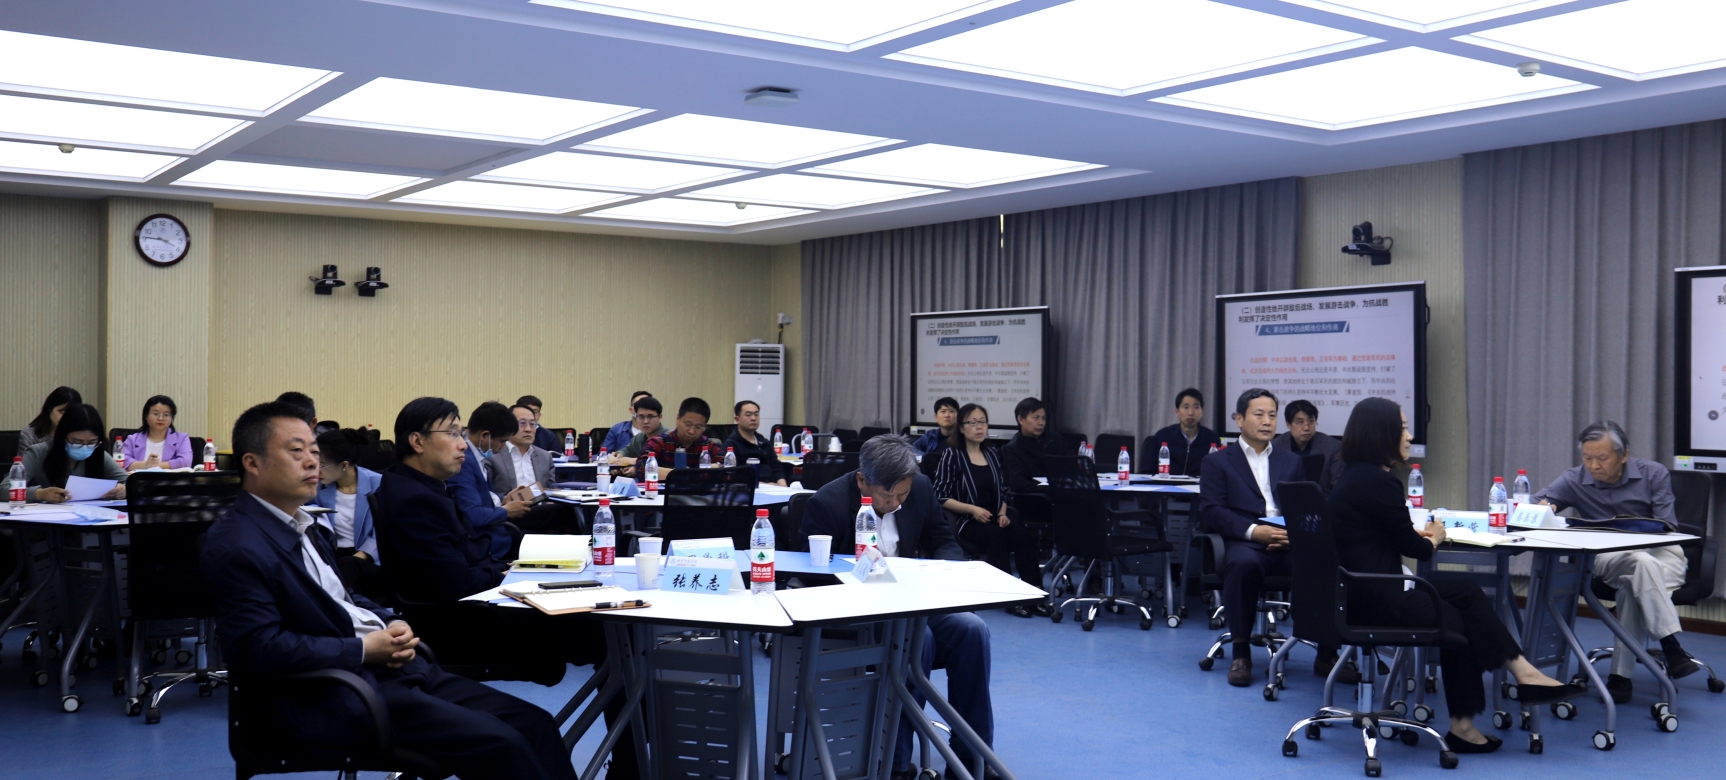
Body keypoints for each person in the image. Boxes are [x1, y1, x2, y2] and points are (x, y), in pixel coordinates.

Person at [201, 401, 577, 780]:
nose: (312, 461)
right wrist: (365, 648)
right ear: (252, 463)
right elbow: (257, 649)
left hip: (393, 670)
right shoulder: (237, 544)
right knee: (503, 743)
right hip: (337, 692)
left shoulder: (304, 526)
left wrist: (389, 622)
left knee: (535, 724)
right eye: (297, 451)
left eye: (314, 450)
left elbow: (345, 599)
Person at [370, 397, 637, 778]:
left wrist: (504, 569)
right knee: (614, 636)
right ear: (417, 441)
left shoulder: (418, 486)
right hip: (465, 629)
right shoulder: (416, 499)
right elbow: (458, 582)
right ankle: (631, 765)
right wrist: (510, 572)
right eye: (452, 433)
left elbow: (470, 553)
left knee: (612, 634)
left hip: (471, 612)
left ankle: (630, 762)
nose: (463, 444)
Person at [1330, 397, 1583, 753]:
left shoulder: (1353, 477)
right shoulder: (1379, 483)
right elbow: (1419, 550)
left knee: (1466, 592)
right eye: (1402, 428)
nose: (1409, 436)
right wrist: (1435, 535)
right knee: (1458, 619)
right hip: (1378, 599)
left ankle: (1522, 674)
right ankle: (1467, 722)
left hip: (1358, 593)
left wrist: (1413, 534)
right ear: (1380, 434)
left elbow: (1378, 534)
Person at [800, 436, 995, 780]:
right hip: (857, 614)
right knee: (918, 640)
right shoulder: (827, 504)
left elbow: (943, 541)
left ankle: (972, 761)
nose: (894, 503)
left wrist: (946, 571)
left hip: (911, 603)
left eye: (901, 495)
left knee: (972, 630)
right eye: (886, 496)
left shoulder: (919, 487)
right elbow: (813, 576)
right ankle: (896, 764)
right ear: (862, 480)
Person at [1533, 421, 1695, 703]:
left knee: (1635, 581)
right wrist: (1544, 508)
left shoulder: (1653, 473)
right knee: (1639, 564)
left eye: (1601, 458)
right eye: (1587, 458)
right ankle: (1670, 645)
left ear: (1623, 455)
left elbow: (1667, 525)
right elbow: (1532, 506)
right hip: (1608, 557)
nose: (1593, 466)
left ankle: (1621, 677)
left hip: (1660, 552)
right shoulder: (1574, 479)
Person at [1199, 388, 1306, 687]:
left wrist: (1293, 535)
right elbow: (1212, 512)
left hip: (1286, 542)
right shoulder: (1218, 462)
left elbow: (1305, 507)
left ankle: (1327, 653)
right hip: (1245, 541)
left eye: (1272, 415)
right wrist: (1253, 531)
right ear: (1239, 419)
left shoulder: (1291, 461)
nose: (1267, 421)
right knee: (1243, 565)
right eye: (1259, 414)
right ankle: (1241, 652)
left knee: (1321, 564)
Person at [932, 404, 1046, 617]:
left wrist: (1002, 513)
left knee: (1022, 536)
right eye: (972, 423)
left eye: (982, 422)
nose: (979, 427)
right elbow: (940, 496)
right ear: (962, 428)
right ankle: (1011, 597)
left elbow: (1003, 491)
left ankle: (1035, 593)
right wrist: (972, 509)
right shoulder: (952, 455)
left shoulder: (992, 453)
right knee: (995, 536)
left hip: (995, 517)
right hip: (967, 520)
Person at [445, 401, 533, 560]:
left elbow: (479, 496)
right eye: (502, 441)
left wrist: (502, 499)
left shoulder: (476, 458)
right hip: (488, 542)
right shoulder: (464, 463)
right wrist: (506, 511)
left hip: (496, 532)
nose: (503, 447)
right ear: (484, 436)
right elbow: (472, 514)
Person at [313, 427, 387, 599]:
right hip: (335, 556)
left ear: (344, 465)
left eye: (321, 465)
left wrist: (360, 556)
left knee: (347, 566)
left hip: (371, 559)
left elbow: (385, 531)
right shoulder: (318, 488)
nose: (316, 471)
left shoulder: (378, 484)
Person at [21, 403, 127, 503]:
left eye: (91, 442)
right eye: (77, 442)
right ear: (63, 436)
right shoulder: (38, 453)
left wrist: (124, 489)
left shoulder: (99, 455)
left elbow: (131, 482)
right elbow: (10, 488)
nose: (84, 447)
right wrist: (39, 494)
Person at [1147, 388, 1222, 478]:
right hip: (1167, 485)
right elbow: (1148, 472)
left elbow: (1217, 473)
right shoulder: (1162, 436)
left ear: (1202, 412)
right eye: (1186, 407)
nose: (1191, 413)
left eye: (1196, 407)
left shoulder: (1212, 439)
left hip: (1199, 486)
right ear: (1177, 412)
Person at [1270, 399, 1342, 491]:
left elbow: (1338, 485)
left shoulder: (1333, 447)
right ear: (1288, 424)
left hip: (1322, 498)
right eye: (1300, 422)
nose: (1306, 427)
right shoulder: (1274, 446)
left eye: (1311, 421)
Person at [999, 397, 1065, 495]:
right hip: (1034, 498)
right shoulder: (1012, 448)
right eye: (1036, 418)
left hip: (1062, 494)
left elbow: (1070, 468)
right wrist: (1050, 487)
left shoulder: (1055, 439)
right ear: (1021, 420)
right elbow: (1019, 484)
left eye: (1044, 418)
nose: (1041, 423)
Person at [636, 397, 717, 476]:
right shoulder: (659, 442)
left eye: (698, 427)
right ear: (678, 419)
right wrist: (678, 473)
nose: (691, 431)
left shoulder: (708, 445)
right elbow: (641, 468)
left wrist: (711, 467)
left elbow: (724, 466)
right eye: (688, 425)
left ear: (704, 427)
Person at [121, 395, 194, 470]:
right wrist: (146, 464)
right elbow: (122, 462)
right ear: (146, 416)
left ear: (172, 418)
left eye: (166, 415)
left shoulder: (182, 439)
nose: (160, 418)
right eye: (156, 414)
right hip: (139, 478)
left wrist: (156, 465)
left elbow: (186, 462)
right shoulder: (132, 440)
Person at [495, 405, 556, 495]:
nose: (528, 429)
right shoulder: (494, 455)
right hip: (506, 503)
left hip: (540, 503)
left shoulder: (545, 457)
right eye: (522, 423)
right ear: (508, 425)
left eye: (532, 424)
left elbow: (551, 490)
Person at [723, 400, 786, 486]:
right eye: (748, 415)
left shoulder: (764, 442)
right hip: (747, 490)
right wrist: (765, 485)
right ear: (737, 419)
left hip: (772, 488)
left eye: (756, 414)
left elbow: (776, 467)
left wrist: (783, 486)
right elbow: (732, 476)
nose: (753, 418)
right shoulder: (731, 445)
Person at [19, 386, 82, 456]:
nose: (66, 417)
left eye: (71, 413)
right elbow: (25, 462)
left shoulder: (82, 433)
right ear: (49, 408)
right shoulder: (30, 434)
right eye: (62, 412)